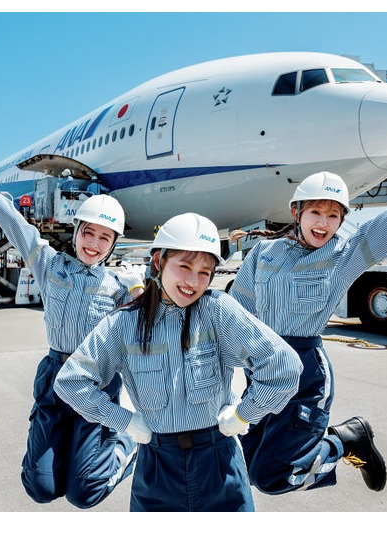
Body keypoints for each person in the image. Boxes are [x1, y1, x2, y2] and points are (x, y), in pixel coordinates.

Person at [54, 213, 303, 512]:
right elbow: (71, 381)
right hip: (157, 469)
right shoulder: (124, 324)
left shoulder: (218, 311)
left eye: (204, 272)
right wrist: (124, 421)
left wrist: (244, 414)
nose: (192, 281)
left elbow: (283, 365)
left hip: (219, 464)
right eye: (184, 266)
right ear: (158, 262)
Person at [0, 153, 145, 509]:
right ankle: (71, 456)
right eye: (88, 232)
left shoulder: (117, 285)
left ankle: (126, 444)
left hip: (95, 383)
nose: (93, 243)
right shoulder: (50, 266)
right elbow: (15, 224)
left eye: (104, 238)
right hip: (54, 375)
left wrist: (138, 288)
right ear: (76, 231)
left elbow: (149, 325)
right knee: (41, 488)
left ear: (113, 244)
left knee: (83, 493)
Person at [228, 171, 387, 494]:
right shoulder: (264, 253)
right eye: (316, 212)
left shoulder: (345, 255)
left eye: (333, 215)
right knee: (245, 465)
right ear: (296, 212)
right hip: (262, 372)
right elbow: (235, 312)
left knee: (275, 478)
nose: (324, 223)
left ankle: (346, 441)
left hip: (306, 374)